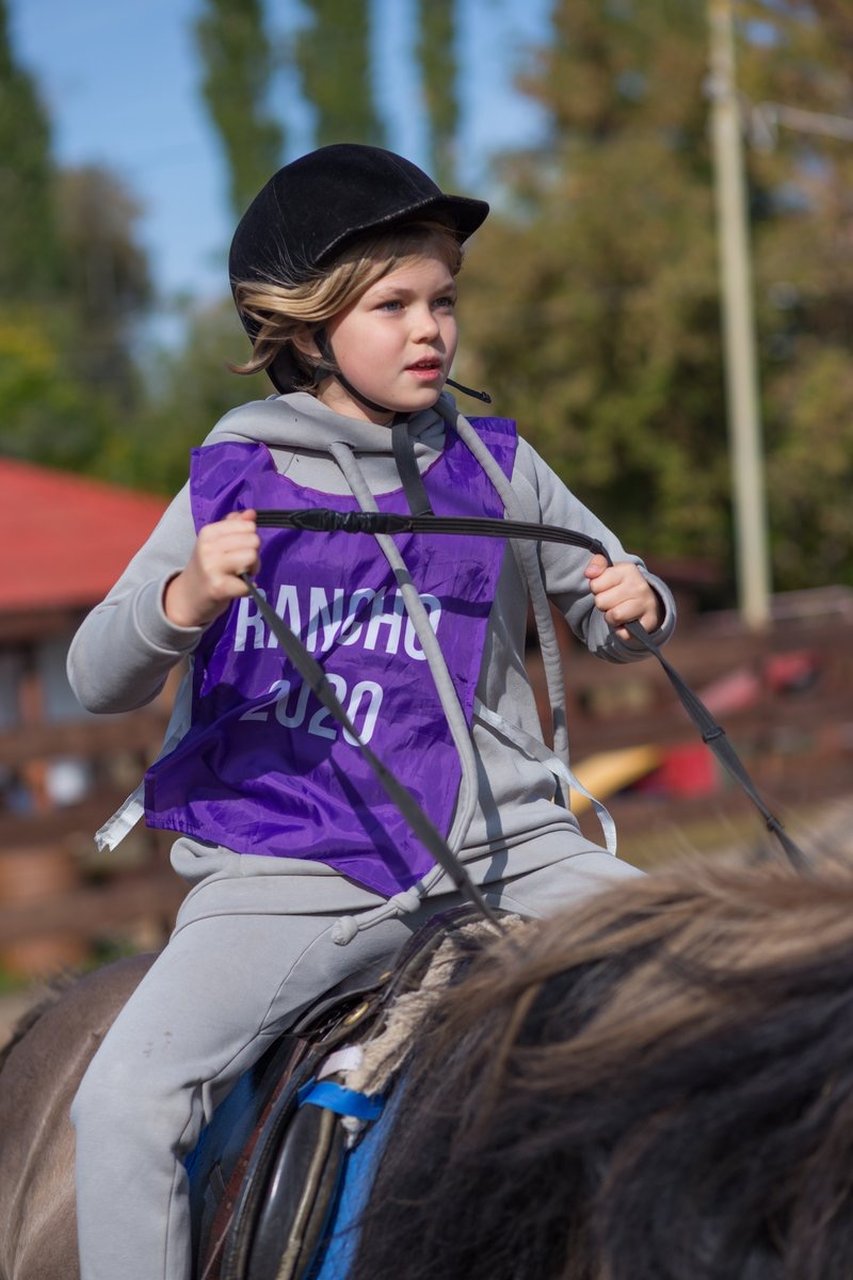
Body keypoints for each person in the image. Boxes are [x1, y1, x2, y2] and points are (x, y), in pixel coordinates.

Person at [67, 143, 676, 1280]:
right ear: (306, 332)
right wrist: (185, 596)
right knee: (121, 1108)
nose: (429, 329)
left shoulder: (499, 464)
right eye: (391, 306)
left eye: (442, 301)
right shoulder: (228, 477)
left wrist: (636, 603)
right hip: (290, 873)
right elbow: (97, 677)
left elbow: (611, 604)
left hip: (511, 849)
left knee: (720, 983)